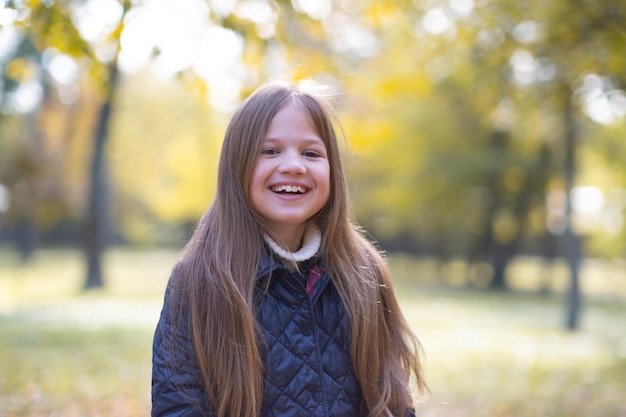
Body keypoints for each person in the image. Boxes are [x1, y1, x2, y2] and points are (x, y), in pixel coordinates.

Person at [151, 78, 427, 417]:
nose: (294, 165)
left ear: (333, 171)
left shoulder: (363, 273)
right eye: (270, 151)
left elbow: (393, 401)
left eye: (311, 153)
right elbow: (178, 407)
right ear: (237, 166)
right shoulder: (199, 280)